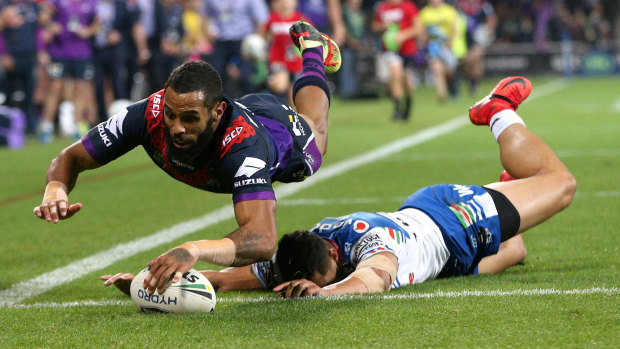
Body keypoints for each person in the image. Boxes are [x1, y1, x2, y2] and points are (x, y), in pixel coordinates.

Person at [103, 76, 577, 298]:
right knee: (514, 251)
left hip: (452, 221)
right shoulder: (301, 253)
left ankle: (498, 110)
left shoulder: (365, 249)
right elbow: (226, 280)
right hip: (439, 241)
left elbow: (375, 278)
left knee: (559, 184)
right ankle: (508, 190)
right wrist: (147, 284)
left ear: (333, 257)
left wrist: (326, 295)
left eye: (320, 280)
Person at [34, 20, 342, 296]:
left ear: (217, 112)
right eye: (171, 114)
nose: (176, 128)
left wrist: (193, 250)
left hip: (278, 135)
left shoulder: (244, 147)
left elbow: (262, 238)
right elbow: (70, 157)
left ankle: (312, 49)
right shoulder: (146, 115)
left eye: (190, 119)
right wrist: (55, 190)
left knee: (317, 130)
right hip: (237, 110)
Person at [372, 0, 421, 121]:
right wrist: (383, 26)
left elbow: (418, 28)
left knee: (406, 80)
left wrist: (403, 35)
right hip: (391, 49)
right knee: (395, 73)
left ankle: (408, 101)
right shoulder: (382, 7)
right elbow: (375, 26)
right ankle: (398, 108)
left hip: (408, 49)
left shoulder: (408, 6)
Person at [418, 0, 459, 103]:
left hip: (447, 46)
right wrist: (423, 40)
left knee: (450, 70)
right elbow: (421, 30)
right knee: (437, 69)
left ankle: (451, 87)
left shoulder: (449, 11)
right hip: (433, 47)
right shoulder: (424, 12)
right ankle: (442, 96)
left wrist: (450, 42)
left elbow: (454, 28)